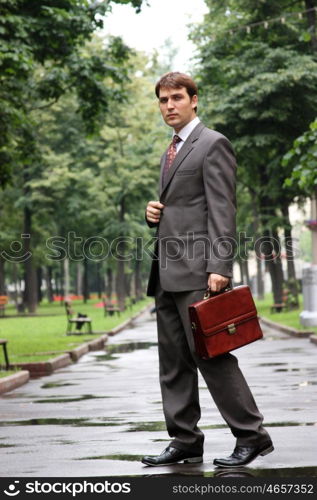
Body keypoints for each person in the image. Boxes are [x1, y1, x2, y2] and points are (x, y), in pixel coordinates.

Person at [142, 72, 273, 468]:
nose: (169, 105)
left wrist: (219, 265)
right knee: (174, 362)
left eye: (177, 97)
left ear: (195, 100)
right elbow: (184, 208)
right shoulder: (172, 149)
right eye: (163, 99)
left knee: (212, 357)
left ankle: (252, 436)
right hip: (166, 273)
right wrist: (154, 216)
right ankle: (184, 440)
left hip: (199, 271)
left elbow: (222, 209)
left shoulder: (212, 143)